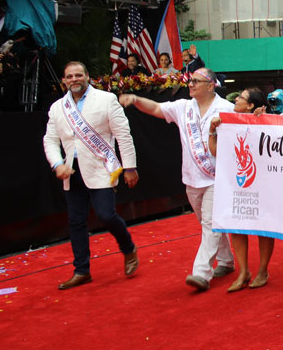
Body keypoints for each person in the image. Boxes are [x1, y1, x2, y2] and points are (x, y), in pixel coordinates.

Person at [120, 67, 235, 291]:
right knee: (208, 223)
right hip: (191, 178)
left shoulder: (226, 109)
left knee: (211, 225)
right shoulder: (183, 107)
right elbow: (155, 108)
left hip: (217, 178)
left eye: (196, 81)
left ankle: (201, 273)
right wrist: (135, 99)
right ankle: (227, 261)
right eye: (190, 81)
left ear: (211, 85)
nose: (190, 84)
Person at [43, 61, 140, 289]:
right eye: (69, 76)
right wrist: (57, 163)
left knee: (106, 215)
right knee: (76, 222)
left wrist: (130, 167)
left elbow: (123, 136)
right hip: (72, 171)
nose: (74, 79)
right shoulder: (58, 107)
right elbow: (50, 139)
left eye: (78, 75)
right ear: (64, 80)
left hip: (101, 168)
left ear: (87, 76)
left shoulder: (106, 100)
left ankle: (128, 248)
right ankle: (82, 270)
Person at [207, 88, 274, 292]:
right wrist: (212, 129)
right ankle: (243, 271)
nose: (235, 99)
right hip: (236, 182)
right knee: (236, 225)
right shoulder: (228, 123)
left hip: (263, 181)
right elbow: (215, 151)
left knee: (263, 226)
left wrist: (263, 121)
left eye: (240, 98)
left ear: (251, 105)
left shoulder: (266, 120)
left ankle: (262, 270)